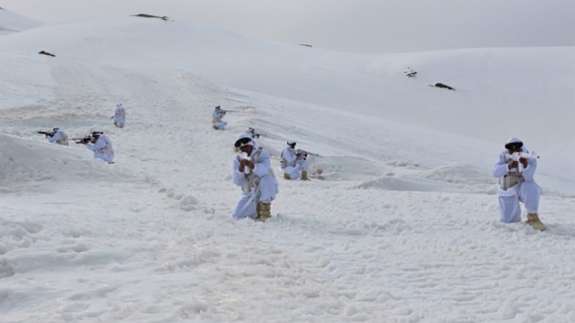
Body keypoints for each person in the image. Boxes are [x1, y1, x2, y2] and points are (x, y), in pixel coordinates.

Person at [492, 138, 544, 230]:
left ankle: (532, 217)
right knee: (508, 222)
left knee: (531, 188)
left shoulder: (529, 157)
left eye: (517, 149)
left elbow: (529, 177)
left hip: (521, 187)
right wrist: (508, 166)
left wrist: (525, 165)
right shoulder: (504, 156)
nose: (514, 151)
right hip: (507, 189)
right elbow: (495, 172)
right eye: (511, 150)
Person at [231, 135, 278, 221]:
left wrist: (251, 165)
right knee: (237, 216)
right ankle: (256, 210)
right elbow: (237, 181)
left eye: (246, 147)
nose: (244, 150)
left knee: (267, 177)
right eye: (242, 148)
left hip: (264, 187)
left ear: (251, 145)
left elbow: (264, 170)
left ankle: (265, 210)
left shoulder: (261, 153)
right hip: (250, 190)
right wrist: (241, 169)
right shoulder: (237, 159)